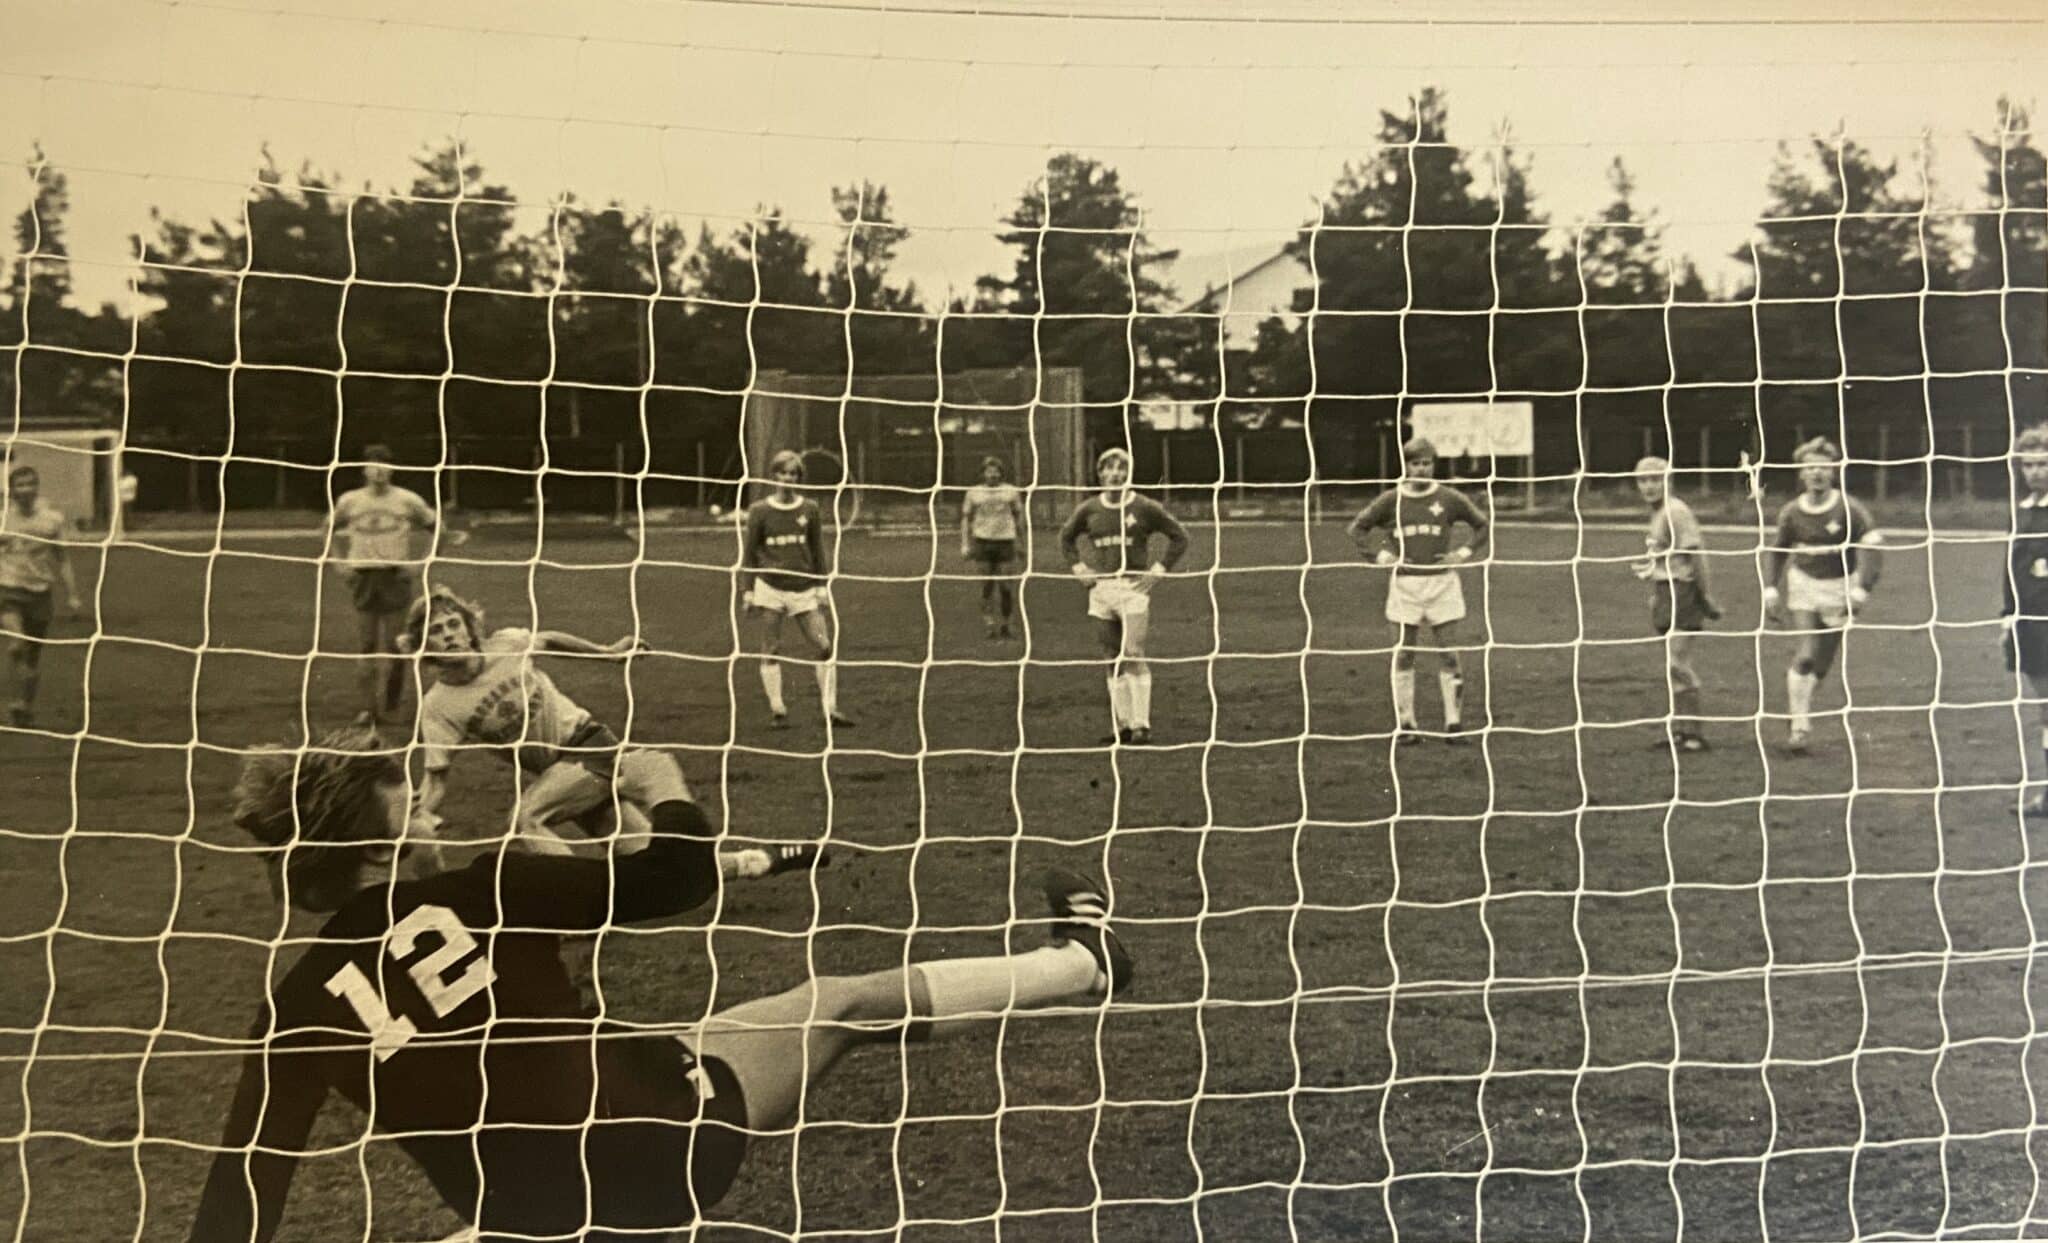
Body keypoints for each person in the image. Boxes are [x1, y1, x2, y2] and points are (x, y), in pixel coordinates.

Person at [186, 725, 1132, 1241]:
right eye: (416, 806)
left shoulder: (293, 1005)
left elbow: (244, 1183)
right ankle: (1084, 963)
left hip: (524, 1210)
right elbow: (679, 875)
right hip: (655, 1147)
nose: (434, 814)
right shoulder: (479, 889)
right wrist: (659, 779)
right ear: (380, 844)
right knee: (836, 1004)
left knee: (674, 1052)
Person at [401, 585, 821, 881]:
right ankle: (760, 861)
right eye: (436, 631)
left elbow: (548, 638)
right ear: (423, 645)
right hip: (561, 776)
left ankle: (573, 904)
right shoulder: (439, 706)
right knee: (654, 865)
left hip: (588, 746)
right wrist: (419, 815)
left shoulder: (507, 645)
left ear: (469, 626)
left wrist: (606, 653)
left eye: (453, 624)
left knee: (526, 819)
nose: (448, 635)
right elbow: (436, 777)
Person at [1346, 437, 1489, 744]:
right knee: (1404, 653)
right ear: (1406, 466)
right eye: (1416, 463)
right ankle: (1407, 726)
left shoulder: (1449, 498)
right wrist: (1380, 556)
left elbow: (1482, 525)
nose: (1422, 469)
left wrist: (1462, 553)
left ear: (1433, 465)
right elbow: (1357, 528)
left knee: (1448, 653)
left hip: (1442, 584)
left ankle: (1454, 725)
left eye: (1427, 463)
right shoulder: (1391, 500)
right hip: (1405, 586)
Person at [1058, 446, 1190, 746]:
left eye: (1122, 469)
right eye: (1110, 468)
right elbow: (1065, 538)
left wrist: (1159, 569)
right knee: (1111, 657)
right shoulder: (1089, 509)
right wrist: (1079, 567)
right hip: (1101, 590)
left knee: (1132, 652)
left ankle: (1142, 725)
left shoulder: (1144, 507)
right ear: (1100, 473)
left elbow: (1180, 536)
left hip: (1133, 589)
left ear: (1129, 474)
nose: (1116, 474)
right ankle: (1124, 726)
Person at [1762, 437, 1885, 753]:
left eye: (1823, 467)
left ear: (1834, 471)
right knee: (1807, 652)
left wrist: (1861, 589)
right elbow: (1777, 551)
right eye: (1810, 467)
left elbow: (1874, 549)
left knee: (1822, 663)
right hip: (1803, 585)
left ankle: (1800, 704)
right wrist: (1771, 588)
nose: (1817, 473)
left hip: (1840, 587)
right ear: (1801, 473)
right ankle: (1799, 727)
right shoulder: (1791, 512)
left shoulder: (1850, 509)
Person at [327, 445, 443, 726]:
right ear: (364, 469)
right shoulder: (350, 501)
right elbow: (326, 529)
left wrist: (422, 562)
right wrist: (337, 562)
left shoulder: (407, 500)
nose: (378, 470)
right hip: (363, 576)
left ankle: (391, 705)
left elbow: (438, 527)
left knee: (395, 645)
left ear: (392, 469)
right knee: (367, 644)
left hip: (395, 576)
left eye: (384, 464)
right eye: (373, 464)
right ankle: (368, 709)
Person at [740, 450, 852, 731]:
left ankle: (830, 709)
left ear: (799, 478)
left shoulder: (809, 509)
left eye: (793, 474)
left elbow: (817, 550)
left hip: (803, 589)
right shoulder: (759, 511)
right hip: (770, 588)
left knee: (824, 646)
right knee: (771, 648)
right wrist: (748, 591)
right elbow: (749, 553)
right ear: (774, 476)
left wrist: (821, 585)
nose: (788, 478)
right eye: (783, 473)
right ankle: (778, 709)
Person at [1632, 456, 1722, 753]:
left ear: (1668, 481)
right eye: (1643, 480)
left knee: (1678, 664)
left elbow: (1696, 557)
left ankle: (1694, 734)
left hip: (1683, 592)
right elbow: (1668, 558)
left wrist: (1705, 596)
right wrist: (1653, 579)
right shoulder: (1658, 513)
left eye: (1655, 479)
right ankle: (1681, 732)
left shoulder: (1676, 511)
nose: (1649, 486)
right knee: (1672, 666)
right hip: (1666, 592)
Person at [0, 463, 82, 728]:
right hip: (8, 589)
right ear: (12, 490)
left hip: (40, 593)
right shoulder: (3, 519)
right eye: (20, 485)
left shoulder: (52, 520)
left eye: (30, 484)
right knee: (17, 644)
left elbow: (62, 558)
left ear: (37, 488)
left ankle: (23, 705)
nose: (26, 489)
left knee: (32, 656)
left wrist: (72, 593)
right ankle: (14, 698)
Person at [2005, 425, 2048, 815]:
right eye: (2028, 465)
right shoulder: (2022, 510)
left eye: (2042, 464)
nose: (2035, 471)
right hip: (2030, 622)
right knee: (2045, 708)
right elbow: (2012, 567)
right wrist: (2007, 613)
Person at [960, 455, 1025, 639]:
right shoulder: (973, 493)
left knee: (1006, 586)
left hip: (1005, 542)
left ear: (1001, 473)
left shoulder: (1011, 491)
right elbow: (965, 519)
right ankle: (989, 623)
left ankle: (1006, 624)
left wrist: (1022, 543)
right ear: (983, 473)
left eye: (996, 471)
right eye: (989, 471)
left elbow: (1019, 517)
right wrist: (965, 543)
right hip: (982, 542)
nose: (993, 475)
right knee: (986, 586)